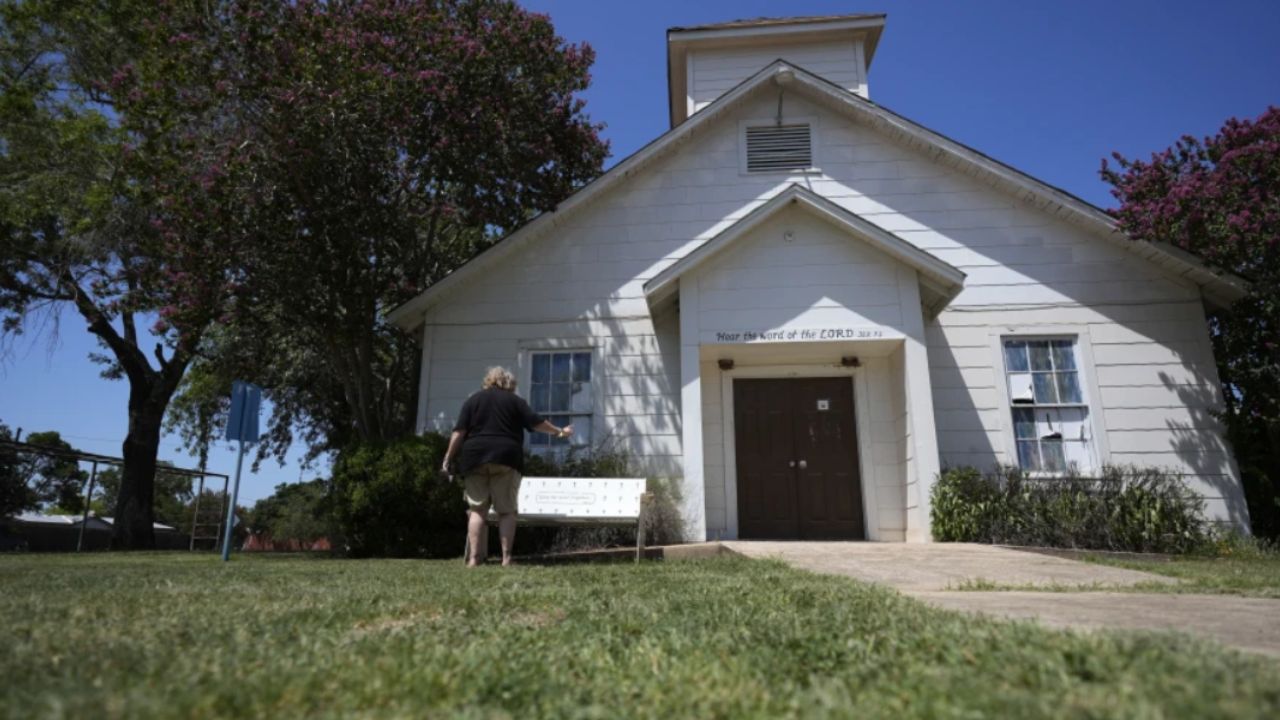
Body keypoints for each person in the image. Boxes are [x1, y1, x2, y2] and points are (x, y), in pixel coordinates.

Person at [441, 366, 572, 567]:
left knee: (477, 510)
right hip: (506, 457)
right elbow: (537, 423)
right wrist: (560, 432)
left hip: (474, 457)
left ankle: (474, 559)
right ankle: (506, 558)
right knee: (507, 511)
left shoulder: (473, 400)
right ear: (510, 384)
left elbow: (459, 432)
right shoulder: (515, 401)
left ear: (488, 381)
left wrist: (448, 458)